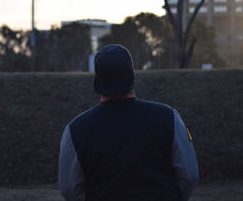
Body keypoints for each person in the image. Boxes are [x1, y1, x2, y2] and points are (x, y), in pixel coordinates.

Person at [58, 44, 199, 201]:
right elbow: (189, 175)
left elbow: (69, 188)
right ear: (132, 76)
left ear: (97, 80)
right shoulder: (169, 117)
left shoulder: (76, 129)